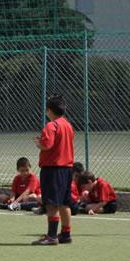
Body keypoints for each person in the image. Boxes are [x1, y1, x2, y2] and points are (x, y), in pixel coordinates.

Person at [33, 94, 75, 245]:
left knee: (52, 203)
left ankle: (51, 236)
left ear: (49, 110)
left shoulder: (51, 126)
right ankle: (66, 233)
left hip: (53, 169)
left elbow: (47, 145)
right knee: (64, 203)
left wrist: (39, 143)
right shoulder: (68, 125)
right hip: (67, 168)